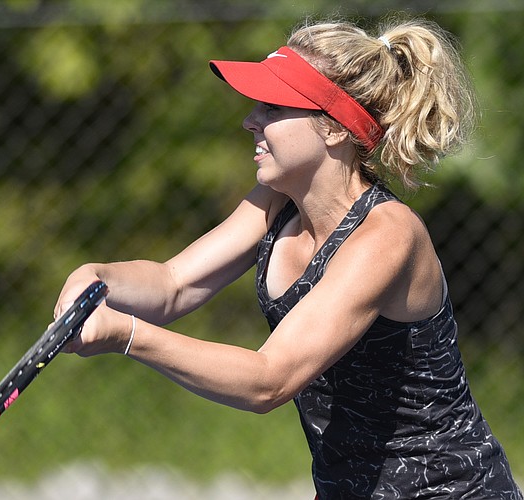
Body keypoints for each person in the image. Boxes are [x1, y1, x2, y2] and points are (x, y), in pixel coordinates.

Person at [53, 17, 522, 499]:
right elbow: (172, 284)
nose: (249, 119)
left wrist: (126, 334)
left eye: (273, 107)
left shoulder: (388, 236)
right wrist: (95, 278)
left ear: (335, 128)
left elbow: (269, 381)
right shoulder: (276, 200)